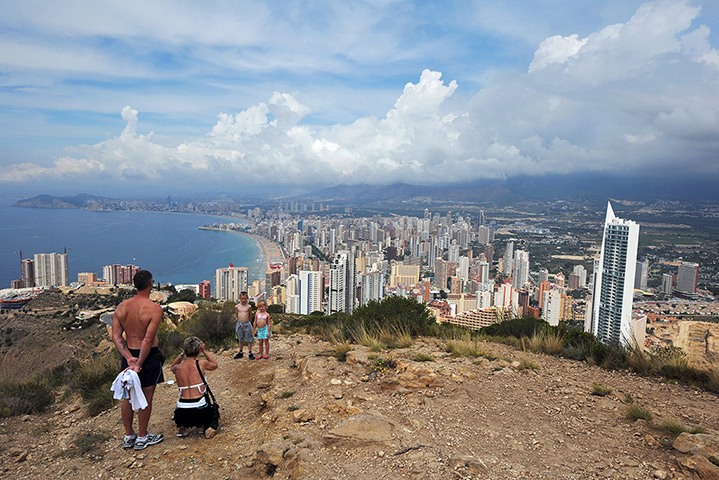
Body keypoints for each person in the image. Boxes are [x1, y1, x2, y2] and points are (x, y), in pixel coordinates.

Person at [111, 270, 165, 450]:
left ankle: (129, 435)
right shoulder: (154, 309)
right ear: (150, 284)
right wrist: (139, 363)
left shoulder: (122, 307)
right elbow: (148, 340)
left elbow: (116, 336)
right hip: (147, 357)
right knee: (146, 396)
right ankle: (142, 436)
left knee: (127, 397)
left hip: (129, 357)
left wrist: (129, 359)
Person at [169, 337, 218, 438]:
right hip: (200, 409)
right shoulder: (201, 363)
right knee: (204, 399)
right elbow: (215, 365)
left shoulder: (178, 367)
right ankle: (202, 427)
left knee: (181, 407)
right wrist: (204, 351)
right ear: (198, 350)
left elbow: (171, 367)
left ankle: (182, 428)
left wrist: (181, 355)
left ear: (185, 350)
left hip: (183, 410)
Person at [234, 292, 254, 359]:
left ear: (247, 299)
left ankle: (250, 352)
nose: (243, 300)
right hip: (239, 323)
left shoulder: (249, 306)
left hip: (247, 323)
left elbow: (250, 315)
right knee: (240, 339)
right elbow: (236, 314)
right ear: (239, 299)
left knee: (249, 339)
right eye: (242, 299)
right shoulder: (237, 306)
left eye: (244, 299)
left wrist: (249, 321)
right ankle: (240, 352)